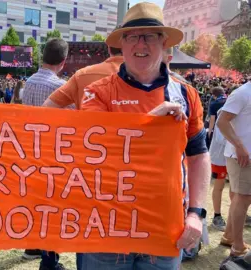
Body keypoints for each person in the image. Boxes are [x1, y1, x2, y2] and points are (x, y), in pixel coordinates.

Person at [79, 3, 210, 269]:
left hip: (165, 228)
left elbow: (198, 156)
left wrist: (196, 213)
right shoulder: (98, 92)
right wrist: (150, 123)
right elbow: (95, 152)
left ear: (164, 43)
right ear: (123, 43)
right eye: (133, 36)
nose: (141, 43)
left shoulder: (186, 94)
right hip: (107, 228)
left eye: (150, 36)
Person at [21, 38, 69, 270]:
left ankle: (32, 246)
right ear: (63, 61)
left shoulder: (28, 82)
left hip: (30, 152)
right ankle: (49, 260)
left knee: (34, 203)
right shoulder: (61, 87)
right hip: (52, 154)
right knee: (51, 207)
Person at [218, 81, 251, 257]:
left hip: (244, 154)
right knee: (243, 198)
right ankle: (237, 246)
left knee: (240, 197)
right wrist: (239, 146)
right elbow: (222, 122)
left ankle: (230, 236)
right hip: (242, 156)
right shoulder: (242, 93)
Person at [43, 46, 123, 109]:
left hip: (90, 129)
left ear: (109, 48)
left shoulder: (82, 75)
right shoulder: (134, 75)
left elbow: (46, 107)